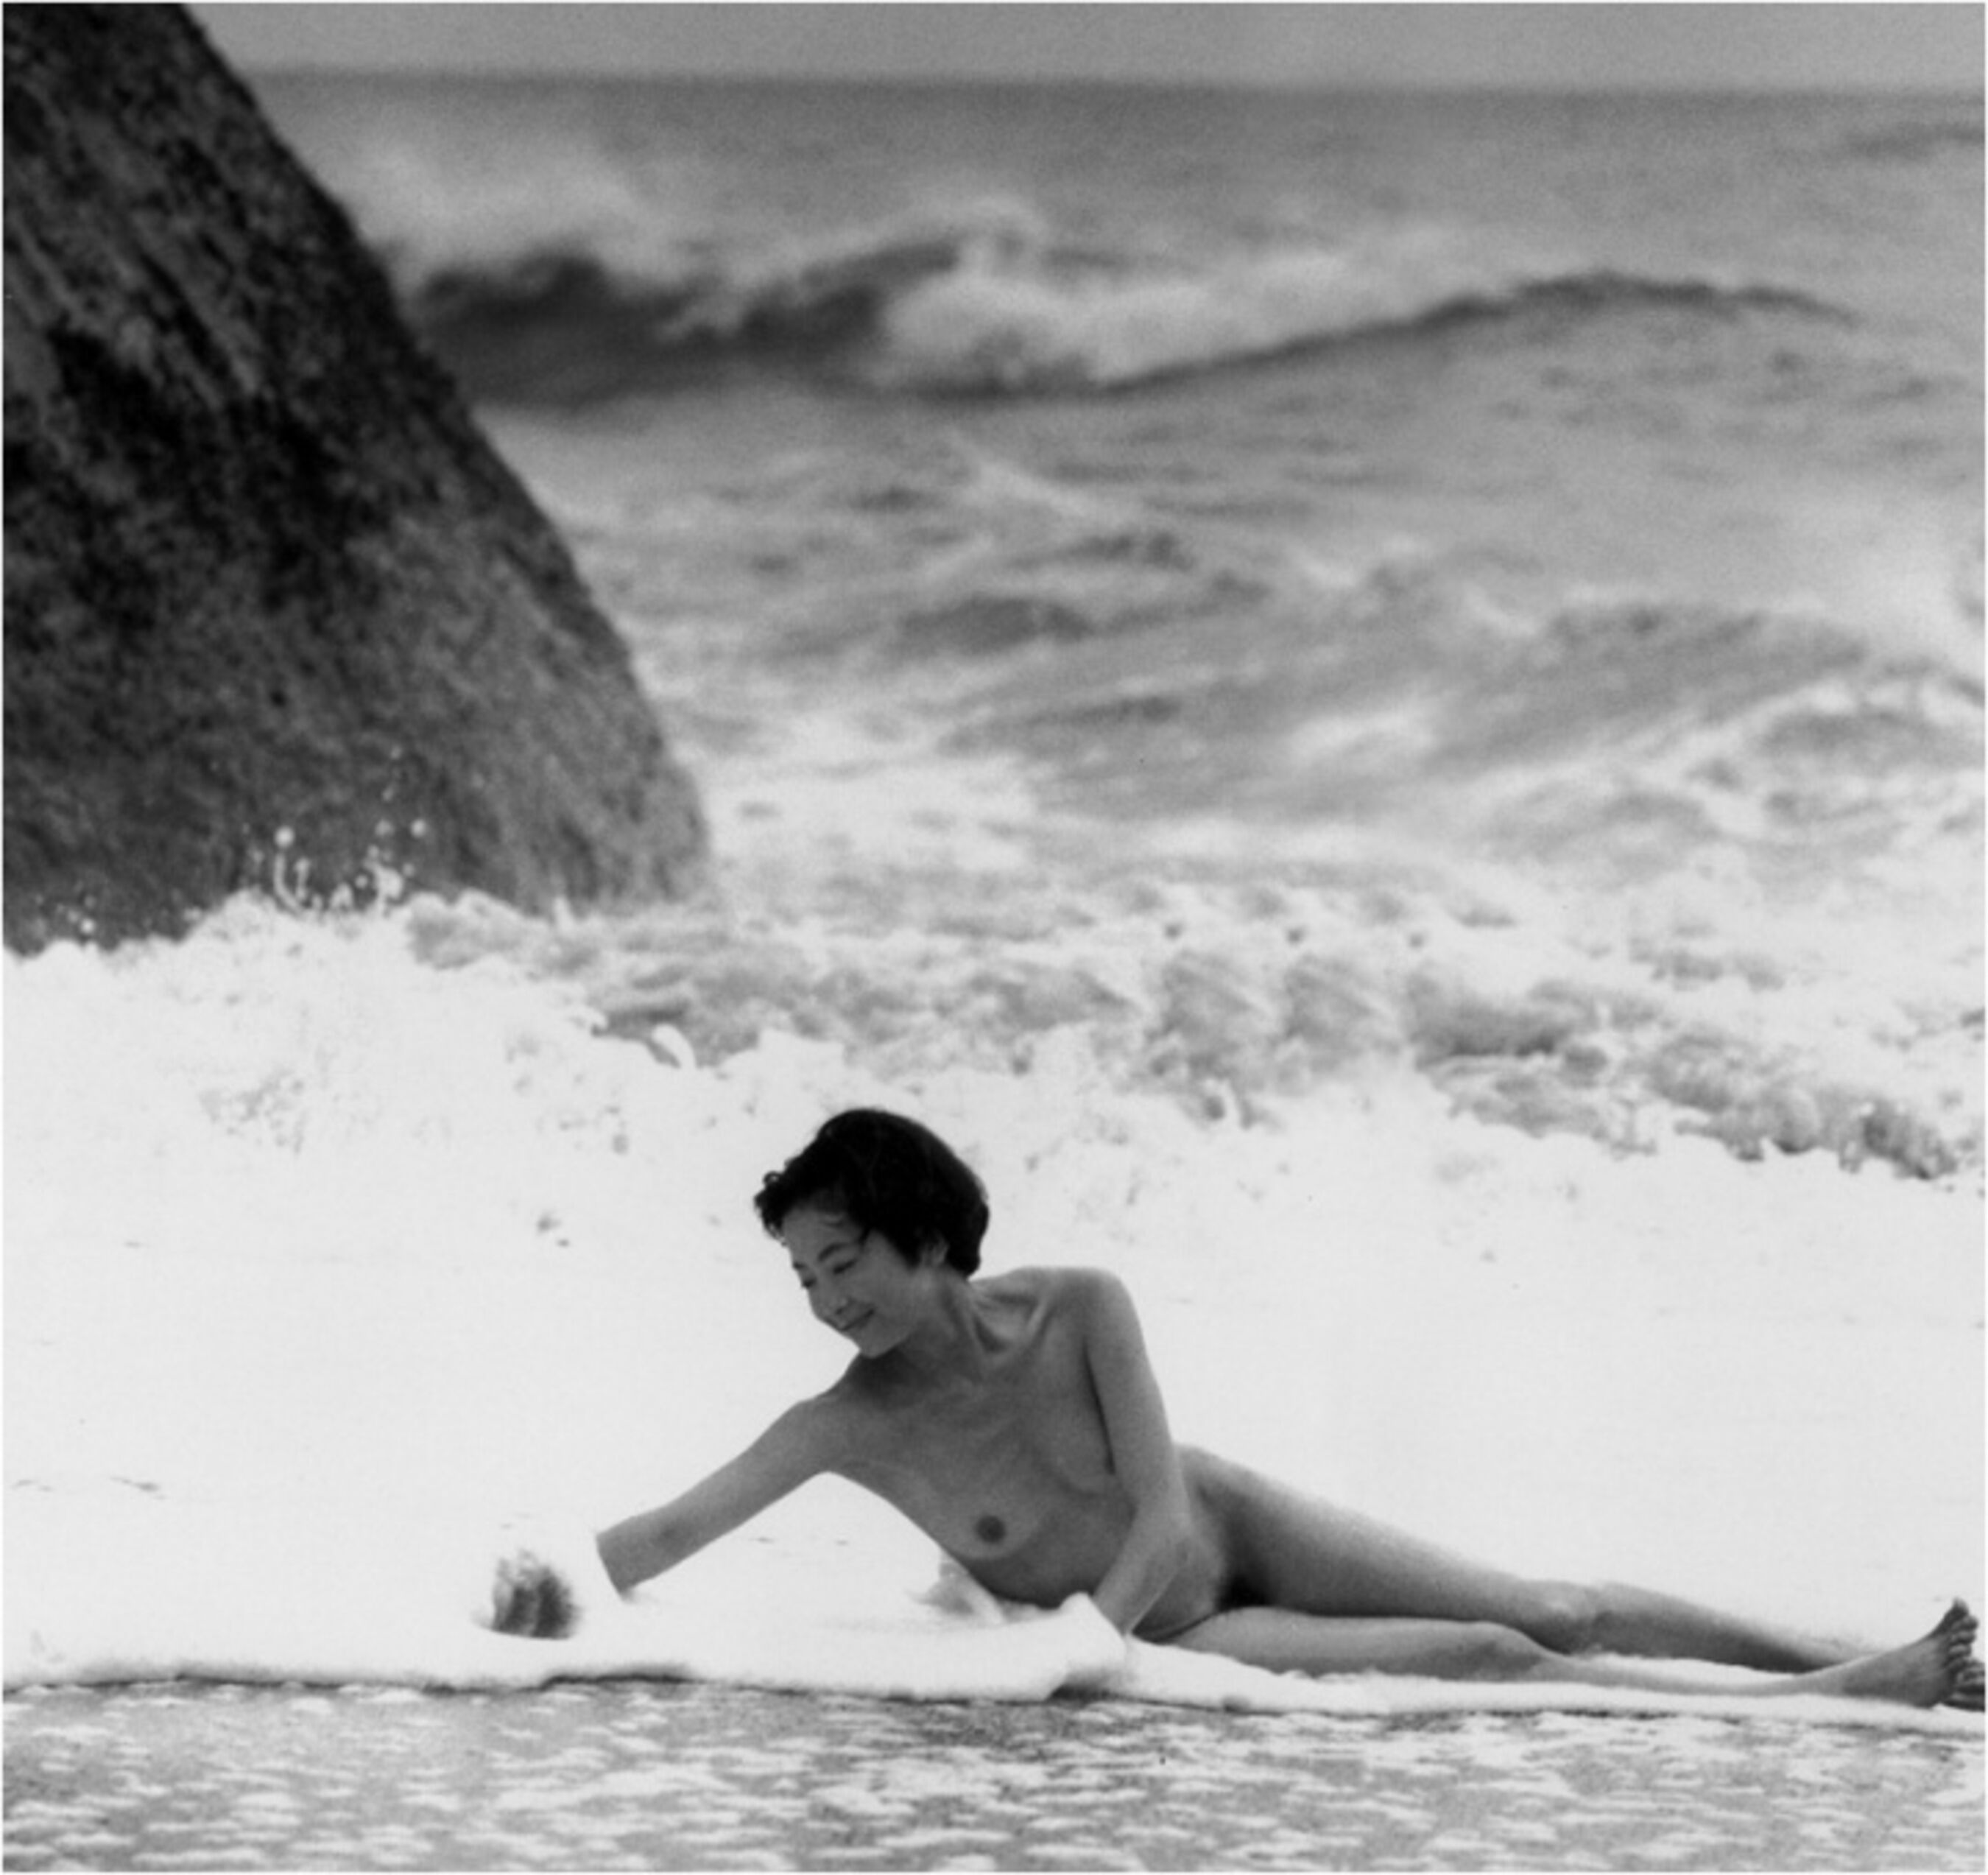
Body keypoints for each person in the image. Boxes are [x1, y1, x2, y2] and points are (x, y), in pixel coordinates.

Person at [492, 1108, 1983, 1710]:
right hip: (1180, 1631)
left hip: (1221, 1524)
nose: (827, 1300)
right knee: (1494, 1653)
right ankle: (1842, 1699)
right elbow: (669, 1532)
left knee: (1562, 1602)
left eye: (845, 1262)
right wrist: (539, 1586)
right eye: (805, 1278)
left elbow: (1156, 1512)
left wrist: (1071, 1636)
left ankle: (1841, 1647)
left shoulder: (1084, 1304)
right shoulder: (846, 1423)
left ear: (929, 1236)